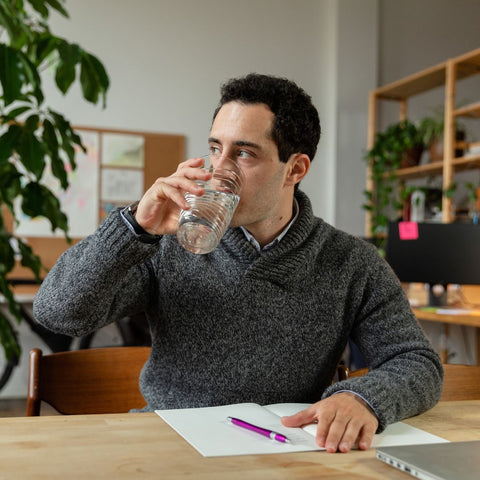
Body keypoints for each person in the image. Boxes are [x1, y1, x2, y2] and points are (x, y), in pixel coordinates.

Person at [33, 73, 443, 453]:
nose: (219, 170)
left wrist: (363, 398)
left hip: (284, 448)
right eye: (214, 148)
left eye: (243, 153)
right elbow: (57, 313)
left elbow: (416, 360)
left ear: (295, 169)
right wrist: (131, 229)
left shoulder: (350, 261)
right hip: (170, 442)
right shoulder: (164, 243)